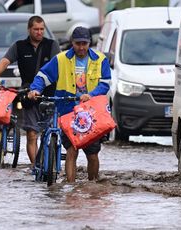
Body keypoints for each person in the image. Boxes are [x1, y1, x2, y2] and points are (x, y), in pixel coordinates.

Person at [28, 26, 111, 183]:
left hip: (91, 113)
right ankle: (71, 188)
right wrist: (35, 89)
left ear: (89, 43)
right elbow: (43, 76)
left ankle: (92, 187)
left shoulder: (100, 60)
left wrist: (91, 95)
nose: (81, 47)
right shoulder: (61, 59)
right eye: (77, 43)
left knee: (92, 154)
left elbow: (105, 84)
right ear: (72, 43)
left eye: (84, 44)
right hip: (68, 112)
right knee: (71, 151)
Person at [0, 16, 60, 166]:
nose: (39, 32)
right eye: (36, 29)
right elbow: (5, 61)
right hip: (28, 94)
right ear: (29, 29)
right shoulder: (19, 46)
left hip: (50, 95)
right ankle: (36, 167)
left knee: (49, 133)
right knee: (32, 134)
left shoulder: (52, 45)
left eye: (42, 29)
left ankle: (49, 164)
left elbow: (59, 66)